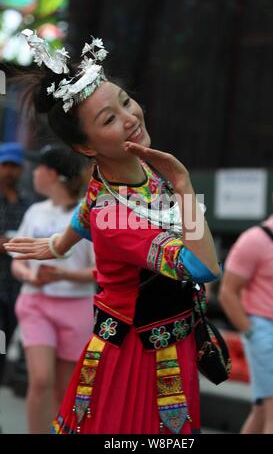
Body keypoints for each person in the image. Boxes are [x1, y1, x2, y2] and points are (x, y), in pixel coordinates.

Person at [5, 31, 221, 434]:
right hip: (139, 355)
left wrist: (58, 244)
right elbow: (203, 266)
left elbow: (84, 212)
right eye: (109, 119)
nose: (130, 118)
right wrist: (185, 187)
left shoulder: (125, 171)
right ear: (87, 148)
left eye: (125, 101)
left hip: (166, 335)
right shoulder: (117, 214)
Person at [10, 144, 95, 434]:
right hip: (35, 303)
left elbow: (101, 271)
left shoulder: (88, 214)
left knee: (65, 389)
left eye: (39, 168)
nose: (33, 173)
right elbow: (17, 261)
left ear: (54, 174)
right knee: (41, 380)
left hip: (77, 308)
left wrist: (62, 274)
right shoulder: (35, 211)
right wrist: (28, 275)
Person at [219, 173, 273, 434]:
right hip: (264, 330)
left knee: (265, 408)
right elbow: (228, 292)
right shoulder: (255, 240)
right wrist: (251, 332)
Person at [0, 142, 31, 387]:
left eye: (14, 166)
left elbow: (30, 241)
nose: (9, 171)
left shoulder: (26, 203)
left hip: (14, 286)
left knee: (7, 336)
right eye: (5, 165)